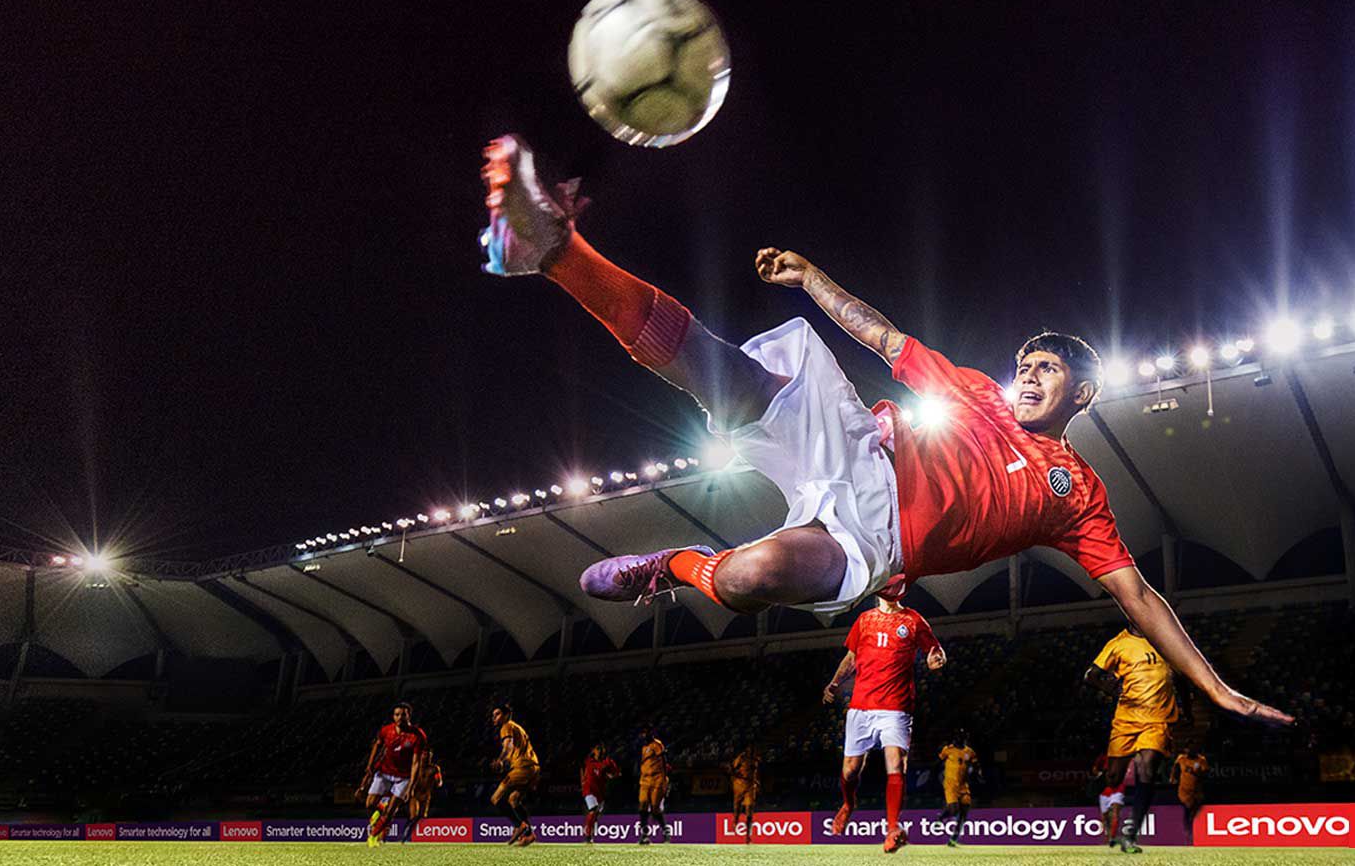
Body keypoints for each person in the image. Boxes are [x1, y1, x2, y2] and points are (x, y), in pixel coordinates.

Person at [479, 135, 1291, 734]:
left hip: (880, 541)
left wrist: (1216, 687)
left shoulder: (1077, 495)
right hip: (862, 448)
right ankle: (558, 251)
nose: (1028, 374)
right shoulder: (974, 392)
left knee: (751, 577)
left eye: (1046, 368)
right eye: (1026, 362)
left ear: (1084, 391)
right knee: (723, 376)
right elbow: (882, 336)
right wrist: (811, 278)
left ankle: (671, 567)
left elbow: (1138, 597)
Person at [821, 580, 945, 853]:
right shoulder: (864, 620)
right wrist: (834, 683)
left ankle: (892, 829)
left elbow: (935, 650)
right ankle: (848, 804)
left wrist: (937, 659)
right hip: (861, 707)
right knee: (850, 770)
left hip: (896, 707)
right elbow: (851, 658)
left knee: (896, 764)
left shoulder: (913, 621)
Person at [1084, 624, 1176, 853]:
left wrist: (1188, 710)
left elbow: (1179, 675)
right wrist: (1110, 689)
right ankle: (1097, 787)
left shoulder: (1164, 638)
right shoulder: (1118, 643)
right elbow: (1090, 675)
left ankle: (1130, 834)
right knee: (1113, 778)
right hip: (1126, 718)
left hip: (1158, 719)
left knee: (1148, 769)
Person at [358, 702, 428, 847]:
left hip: (404, 777)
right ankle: (381, 808)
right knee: (369, 804)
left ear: (409, 715)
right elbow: (377, 744)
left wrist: (411, 786)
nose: (400, 717)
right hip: (384, 772)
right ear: (393, 716)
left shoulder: (418, 735)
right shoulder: (386, 731)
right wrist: (370, 765)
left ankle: (372, 837)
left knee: (391, 811)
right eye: (397, 714)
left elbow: (416, 763)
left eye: (403, 714)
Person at [489, 703, 539, 847]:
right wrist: (505, 763)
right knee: (514, 799)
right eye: (493, 715)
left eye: (497, 714)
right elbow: (514, 750)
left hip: (522, 767)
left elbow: (508, 746)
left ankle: (519, 825)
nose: (494, 717)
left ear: (505, 715)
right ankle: (529, 835)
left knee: (496, 798)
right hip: (533, 768)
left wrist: (499, 760)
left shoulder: (506, 726)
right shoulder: (517, 727)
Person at [936, 730, 978, 847]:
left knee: (964, 813)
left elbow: (975, 765)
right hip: (951, 785)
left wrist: (977, 774)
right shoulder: (948, 749)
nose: (957, 740)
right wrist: (936, 775)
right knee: (954, 810)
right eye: (956, 737)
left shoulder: (970, 752)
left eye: (961, 737)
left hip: (964, 786)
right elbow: (938, 762)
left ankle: (953, 840)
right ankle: (941, 817)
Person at [636, 726, 670, 844]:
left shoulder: (657, 744)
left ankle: (665, 831)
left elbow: (664, 761)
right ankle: (644, 835)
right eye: (642, 733)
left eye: (645, 733)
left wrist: (665, 779)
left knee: (655, 808)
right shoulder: (644, 747)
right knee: (642, 806)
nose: (643, 736)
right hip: (645, 780)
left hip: (657, 779)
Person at [581, 743, 621, 844]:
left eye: (601, 749)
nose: (599, 751)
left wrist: (612, 774)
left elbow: (616, 773)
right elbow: (589, 769)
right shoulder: (589, 761)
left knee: (596, 814)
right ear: (593, 750)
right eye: (597, 749)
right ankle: (588, 836)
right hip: (589, 790)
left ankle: (590, 833)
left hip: (600, 793)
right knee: (592, 810)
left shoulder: (607, 762)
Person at [401, 749, 442, 843]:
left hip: (426, 796)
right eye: (424, 755)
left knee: (421, 816)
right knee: (413, 816)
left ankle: (408, 835)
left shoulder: (434, 768)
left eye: (428, 756)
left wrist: (438, 782)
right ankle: (405, 836)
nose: (426, 758)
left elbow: (439, 780)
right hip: (415, 795)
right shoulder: (415, 767)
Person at [728, 743, 762, 843]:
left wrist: (757, 783)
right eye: (749, 749)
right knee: (737, 806)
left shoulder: (756, 760)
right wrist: (735, 775)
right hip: (740, 784)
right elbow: (732, 769)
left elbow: (756, 773)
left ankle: (748, 836)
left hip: (750, 786)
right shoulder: (741, 758)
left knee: (749, 810)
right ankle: (735, 821)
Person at [1171, 744, 1208, 834]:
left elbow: (1205, 774)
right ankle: (1186, 830)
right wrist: (1173, 778)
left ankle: (1195, 830)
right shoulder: (1181, 758)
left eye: (1192, 749)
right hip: (1184, 790)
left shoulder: (1201, 760)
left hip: (1196, 791)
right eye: (1187, 749)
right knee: (1186, 810)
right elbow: (1175, 768)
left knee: (1195, 811)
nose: (1189, 751)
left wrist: (1195, 773)